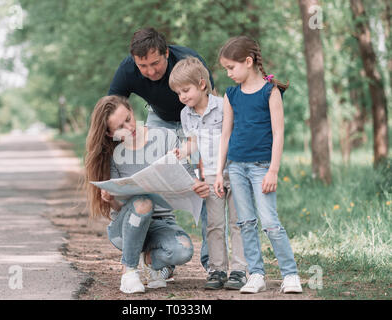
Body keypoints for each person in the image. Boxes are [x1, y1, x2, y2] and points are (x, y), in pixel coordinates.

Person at [108, 27, 214, 274]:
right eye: (143, 66)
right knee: (152, 180)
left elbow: (212, 107)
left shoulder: (189, 61)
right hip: (159, 119)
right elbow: (110, 112)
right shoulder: (127, 69)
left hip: (196, 120)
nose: (150, 71)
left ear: (167, 53)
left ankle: (213, 264)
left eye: (155, 63)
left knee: (205, 186)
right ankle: (159, 252)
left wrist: (206, 148)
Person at [84, 95, 210, 294]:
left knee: (183, 250)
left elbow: (187, 177)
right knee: (143, 202)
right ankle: (129, 271)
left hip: (162, 222)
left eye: (128, 118)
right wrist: (110, 199)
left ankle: (150, 259)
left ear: (131, 110)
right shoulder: (112, 155)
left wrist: (197, 186)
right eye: (120, 128)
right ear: (109, 134)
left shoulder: (166, 137)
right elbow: (117, 208)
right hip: (127, 226)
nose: (129, 127)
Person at [215, 36, 303, 294]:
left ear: (248, 61)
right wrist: (220, 172)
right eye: (226, 69)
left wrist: (273, 169)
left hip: (262, 167)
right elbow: (225, 135)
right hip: (236, 167)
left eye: (231, 67)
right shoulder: (231, 94)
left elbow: (279, 133)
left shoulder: (270, 91)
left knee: (270, 222)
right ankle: (256, 274)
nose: (228, 73)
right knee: (246, 223)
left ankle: (290, 275)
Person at [168, 57, 248, 290]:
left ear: (202, 84)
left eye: (185, 90)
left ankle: (239, 269)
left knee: (238, 222)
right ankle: (217, 269)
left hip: (234, 170)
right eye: (178, 93)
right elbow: (193, 143)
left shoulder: (224, 105)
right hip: (210, 175)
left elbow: (235, 135)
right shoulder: (186, 114)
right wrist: (182, 151)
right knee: (214, 224)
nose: (182, 97)